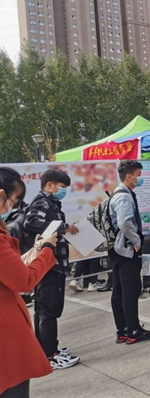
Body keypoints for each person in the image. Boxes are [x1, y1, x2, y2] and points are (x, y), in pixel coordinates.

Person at [0, 167, 60, 397]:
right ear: (2, 194)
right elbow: (25, 280)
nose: (12, 208)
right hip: (6, 338)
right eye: (14, 200)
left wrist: (35, 250)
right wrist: (47, 249)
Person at [23, 169, 80, 369]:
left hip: (48, 264)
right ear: (50, 185)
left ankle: (44, 349)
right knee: (49, 310)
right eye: (62, 187)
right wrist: (63, 227)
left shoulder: (50, 203)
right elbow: (31, 222)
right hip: (49, 265)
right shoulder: (44, 202)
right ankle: (51, 354)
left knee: (43, 309)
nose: (63, 191)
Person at [108, 160, 150, 345]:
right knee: (130, 290)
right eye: (138, 175)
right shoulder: (124, 197)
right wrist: (136, 241)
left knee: (119, 291)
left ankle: (122, 330)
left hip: (117, 249)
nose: (140, 178)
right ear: (129, 176)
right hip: (126, 250)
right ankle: (133, 330)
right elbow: (125, 222)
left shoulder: (117, 193)